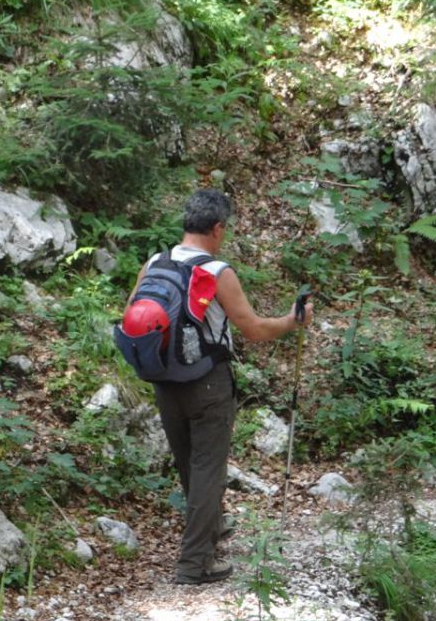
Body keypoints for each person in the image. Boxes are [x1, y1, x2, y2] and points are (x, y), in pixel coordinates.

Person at [130, 188, 313, 585]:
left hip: (164, 380)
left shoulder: (154, 263)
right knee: (208, 472)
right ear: (217, 228)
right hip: (208, 384)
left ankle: (209, 535)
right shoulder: (216, 272)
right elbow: (254, 329)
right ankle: (193, 566)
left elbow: (133, 316)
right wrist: (292, 321)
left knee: (189, 468)